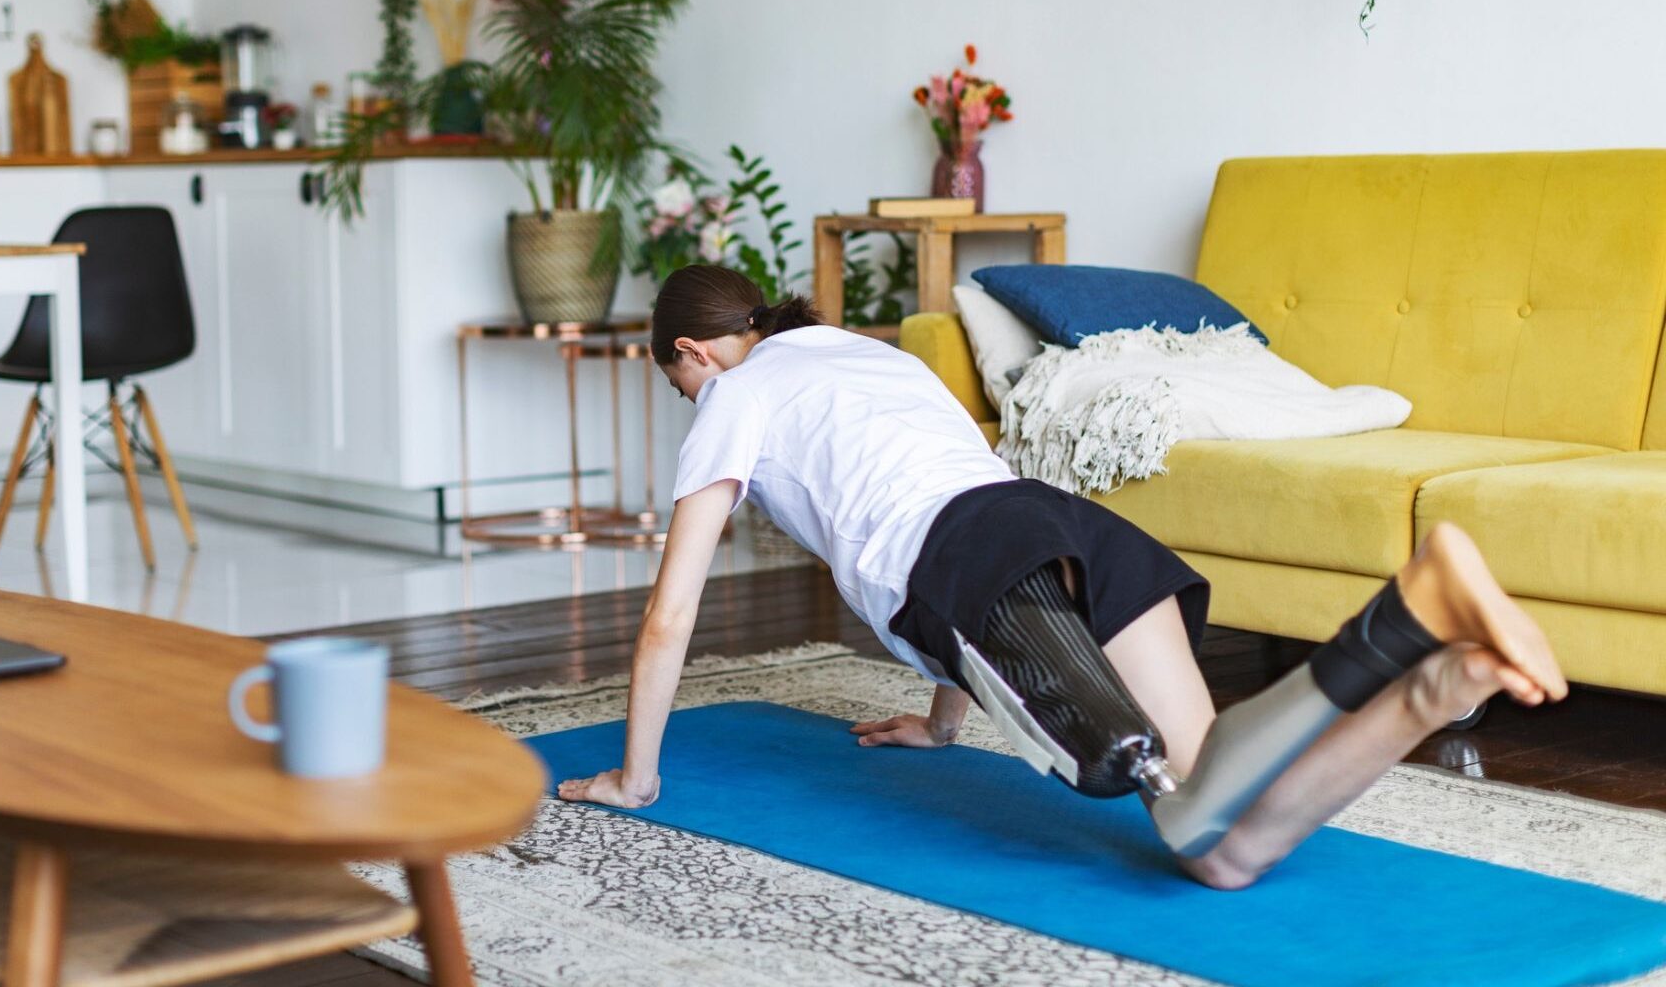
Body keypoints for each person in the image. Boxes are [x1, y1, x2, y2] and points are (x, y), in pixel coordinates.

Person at [556, 264, 1567, 889]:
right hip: (1061, 525)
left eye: (677, 379)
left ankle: (1406, 616)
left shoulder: (736, 393)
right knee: (1224, 838)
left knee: (1191, 818)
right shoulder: (874, 361)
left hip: (979, 567)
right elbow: (946, 502)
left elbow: (671, 608)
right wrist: (941, 720)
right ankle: (1441, 679)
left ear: (692, 352)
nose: (689, 397)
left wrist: (637, 776)